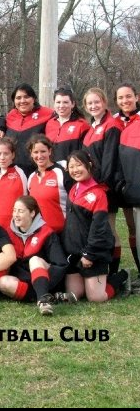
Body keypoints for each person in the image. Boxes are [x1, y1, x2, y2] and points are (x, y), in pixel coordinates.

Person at [61, 150, 130, 302]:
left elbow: (99, 229)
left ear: (89, 165)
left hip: (93, 253)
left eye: (78, 165)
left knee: (96, 297)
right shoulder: (74, 188)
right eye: (71, 166)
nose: (75, 170)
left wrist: (90, 254)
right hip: (74, 252)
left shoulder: (99, 194)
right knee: (75, 294)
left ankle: (122, 277)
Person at [0, 196, 73, 316]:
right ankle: (45, 297)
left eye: (21, 211)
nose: (16, 214)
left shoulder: (47, 232)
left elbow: (60, 264)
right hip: (26, 282)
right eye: (14, 210)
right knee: (3, 282)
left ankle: (43, 300)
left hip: (46, 279)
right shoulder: (8, 233)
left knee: (34, 260)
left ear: (32, 213)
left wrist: (47, 286)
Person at [82, 87, 123, 274]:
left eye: (97, 102)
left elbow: (110, 160)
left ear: (104, 102)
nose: (93, 106)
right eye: (90, 103)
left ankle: (114, 272)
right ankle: (104, 268)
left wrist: (101, 185)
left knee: (110, 229)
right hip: (92, 187)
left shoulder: (111, 125)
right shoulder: (91, 128)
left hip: (106, 187)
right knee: (100, 230)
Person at [113, 82, 140, 285]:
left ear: (136, 97)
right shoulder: (116, 122)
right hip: (123, 185)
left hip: (136, 185)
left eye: (128, 96)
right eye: (121, 98)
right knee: (130, 229)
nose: (125, 101)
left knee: (136, 228)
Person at [0, 83, 53, 176]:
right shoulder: (11, 115)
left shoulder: (48, 114)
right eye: (18, 98)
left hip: (37, 172)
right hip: (12, 172)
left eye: (26, 97)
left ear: (34, 98)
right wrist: (1, 124)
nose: (22, 101)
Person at [26, 134, 72, 233]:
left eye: (43, 151)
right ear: (31, 153)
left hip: (62, 233)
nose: (39, 156)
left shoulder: (61, 173)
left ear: (50, 151)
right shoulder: (31, 178)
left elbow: (74, 203)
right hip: (39, 234)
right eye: (36, 152)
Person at [0, 137, 27, 230]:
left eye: (6, 153)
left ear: (13, 155)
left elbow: (26, 199)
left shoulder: (20, 172)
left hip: (15, 226)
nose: (2, 157)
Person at [45, 87, 89, 166]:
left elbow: (84, 154)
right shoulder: (49, 123)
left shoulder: (82, 125)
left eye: (65, 102)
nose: (61, 106)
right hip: (52, 172)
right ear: (54, 104)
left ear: (72, 104)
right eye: (58, 102)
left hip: (72, 172)